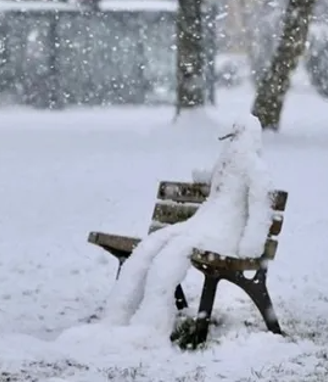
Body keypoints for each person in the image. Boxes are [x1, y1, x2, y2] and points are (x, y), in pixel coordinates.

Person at [100, 113, 274, 336]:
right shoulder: (226, 162)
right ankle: (117, 316)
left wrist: (251, 246)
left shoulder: (255, 168)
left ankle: (150, 327)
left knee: (171, 255)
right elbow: (213, 181)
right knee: (148, 247)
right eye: (232, 138)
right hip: (201, 222)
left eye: (237, 137)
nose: (232, 143)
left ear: (249, 138)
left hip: (224, 235)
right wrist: (203, 176)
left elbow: (261, 210)